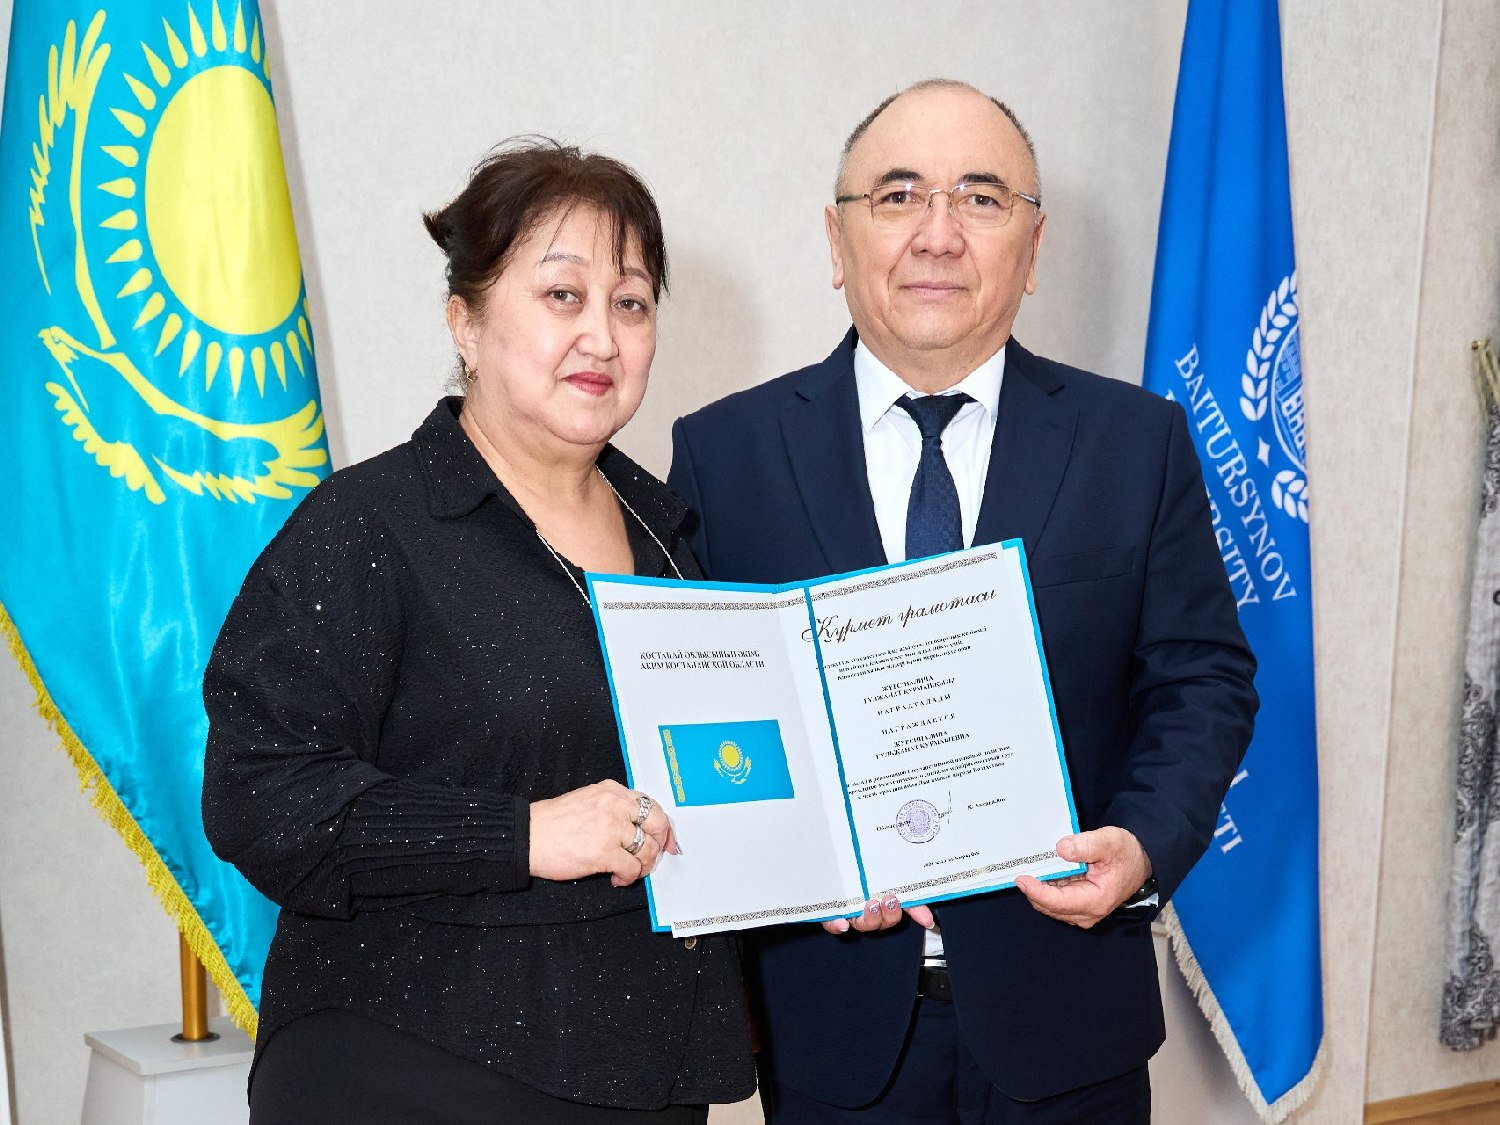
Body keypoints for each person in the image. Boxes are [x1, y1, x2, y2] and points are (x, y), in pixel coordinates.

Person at [668, 80, 1258, 1123]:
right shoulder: (726, 453)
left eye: (982, 199)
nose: (938, 235)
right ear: (837, 240)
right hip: (831, 1027)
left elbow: (1203, 681)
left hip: (1071, 1022)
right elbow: (703, 718)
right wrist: (785, 863)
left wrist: (1140, 842)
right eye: (898, 196)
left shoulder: (1137, 443)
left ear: (1032, 250)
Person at [203, 138, 754, 1125]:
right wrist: (521, 834)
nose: (602, 336)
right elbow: (261, 796)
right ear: (465, 322)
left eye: (631, 302)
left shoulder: (672, 540)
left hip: (643, 1071)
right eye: (562, 296)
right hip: (410, 1064)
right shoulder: (368, 527)